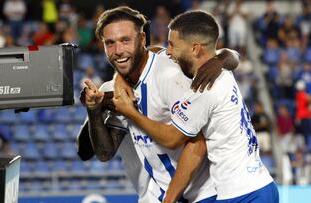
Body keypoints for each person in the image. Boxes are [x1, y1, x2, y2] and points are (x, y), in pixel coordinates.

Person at [113, 10, 279, 202]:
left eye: (173, 45)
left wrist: (130, 112)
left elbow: (172, 139)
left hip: (242, 194)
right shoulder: (219, 69)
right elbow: (232, 55)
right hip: (258, 184)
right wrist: (120, 76)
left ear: (195, 49)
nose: (168, 51)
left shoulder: (204, 88)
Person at [77, 6, 240, 203]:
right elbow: (103, 153)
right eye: (109, 43)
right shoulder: (114, 89)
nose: (118, 50)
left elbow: (197, 143)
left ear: (142, 39)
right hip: (156, 194)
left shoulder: (171, 70)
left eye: (125, 40)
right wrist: (94, 109)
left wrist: (220, 59)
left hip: (204, 193)